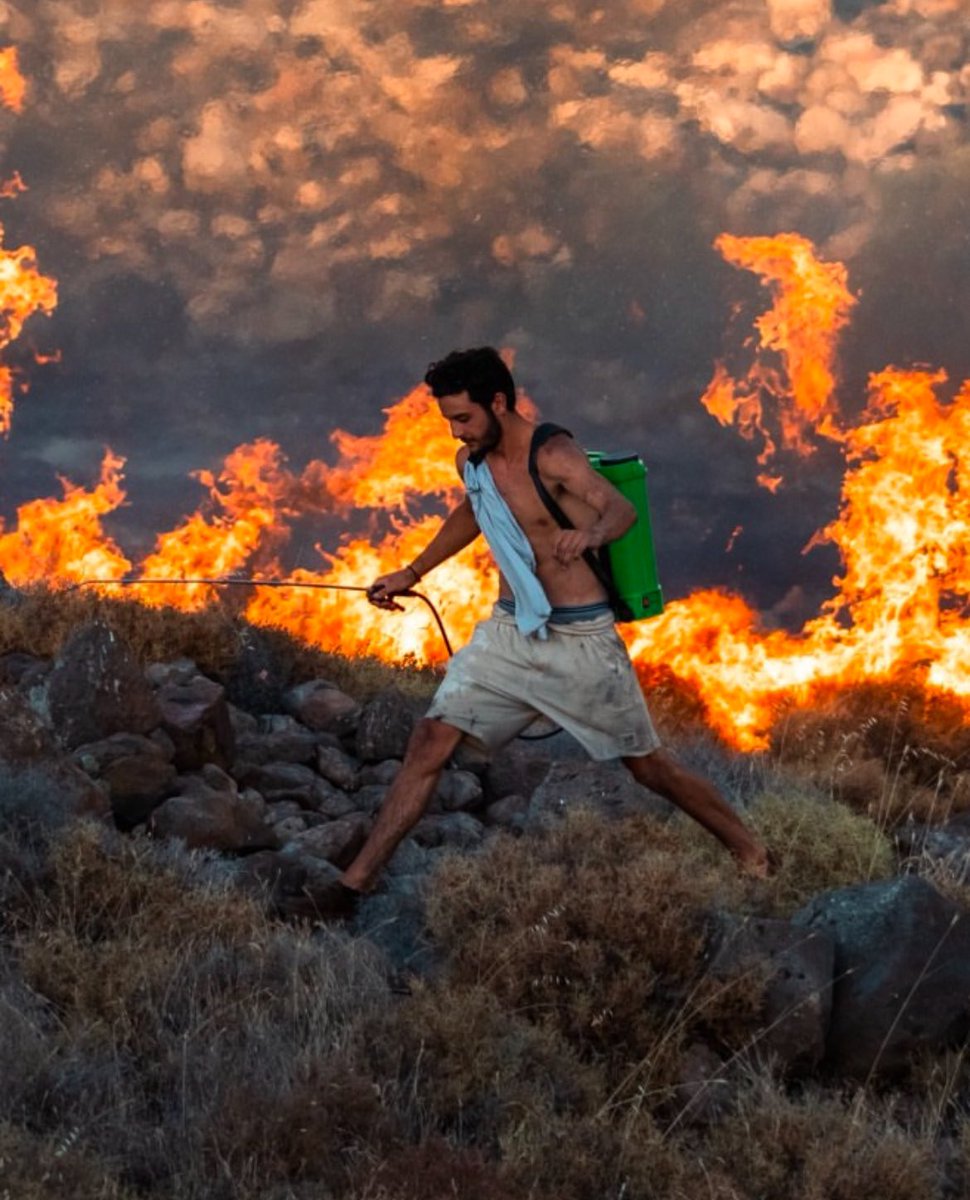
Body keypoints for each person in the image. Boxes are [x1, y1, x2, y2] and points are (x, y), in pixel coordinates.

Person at [328, 347, 769, 914]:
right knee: (430, 740)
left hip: (580, 640)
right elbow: (473, 511)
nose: (456, 434)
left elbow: (618, 512)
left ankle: (752, 851)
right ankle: (352, 885)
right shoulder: (474, 462)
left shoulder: (554, 454)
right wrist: (411, 572)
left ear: (498, 402)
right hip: (510, 632)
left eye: (464, 419)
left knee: (646, 766)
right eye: (448, 422)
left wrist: (589, 538)